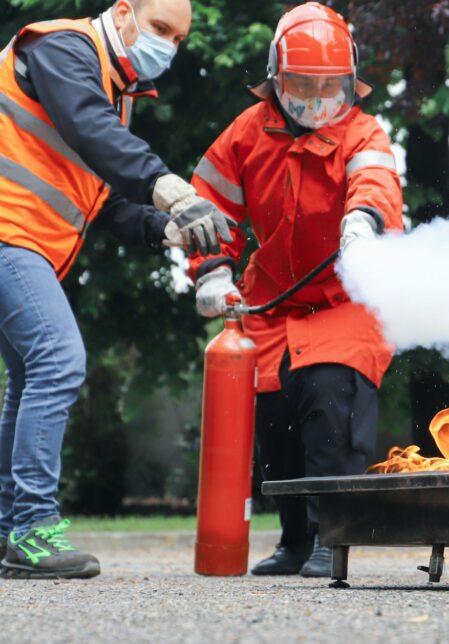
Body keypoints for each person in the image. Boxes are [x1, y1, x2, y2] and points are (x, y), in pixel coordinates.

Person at [0, 0, 235, 580]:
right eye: (159, 29)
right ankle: (31, 529)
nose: (168, 47)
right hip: (8, 233)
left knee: (31, 375)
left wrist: (166, 228)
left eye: (178, 39)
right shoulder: (61, 47)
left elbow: (103, 196)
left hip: (25, 243)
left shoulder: (115, 93)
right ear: (124, 12)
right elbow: (90, 129)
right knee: (58, 360)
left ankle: (10, 533)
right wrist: (170, 188)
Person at [189, 2, 402, 577]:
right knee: (274, 416)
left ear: (349, 82)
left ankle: (335, 537)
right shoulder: (247, 132)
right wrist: (211, 270)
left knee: (330, 403)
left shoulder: (363, 131)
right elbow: (209, 205)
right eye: (301, 85)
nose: (316, 98)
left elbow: (376, 180)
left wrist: (364, 221)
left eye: (329, 86)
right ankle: (294, 540)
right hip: (272, 301)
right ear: (276, 80)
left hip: (343, 303)